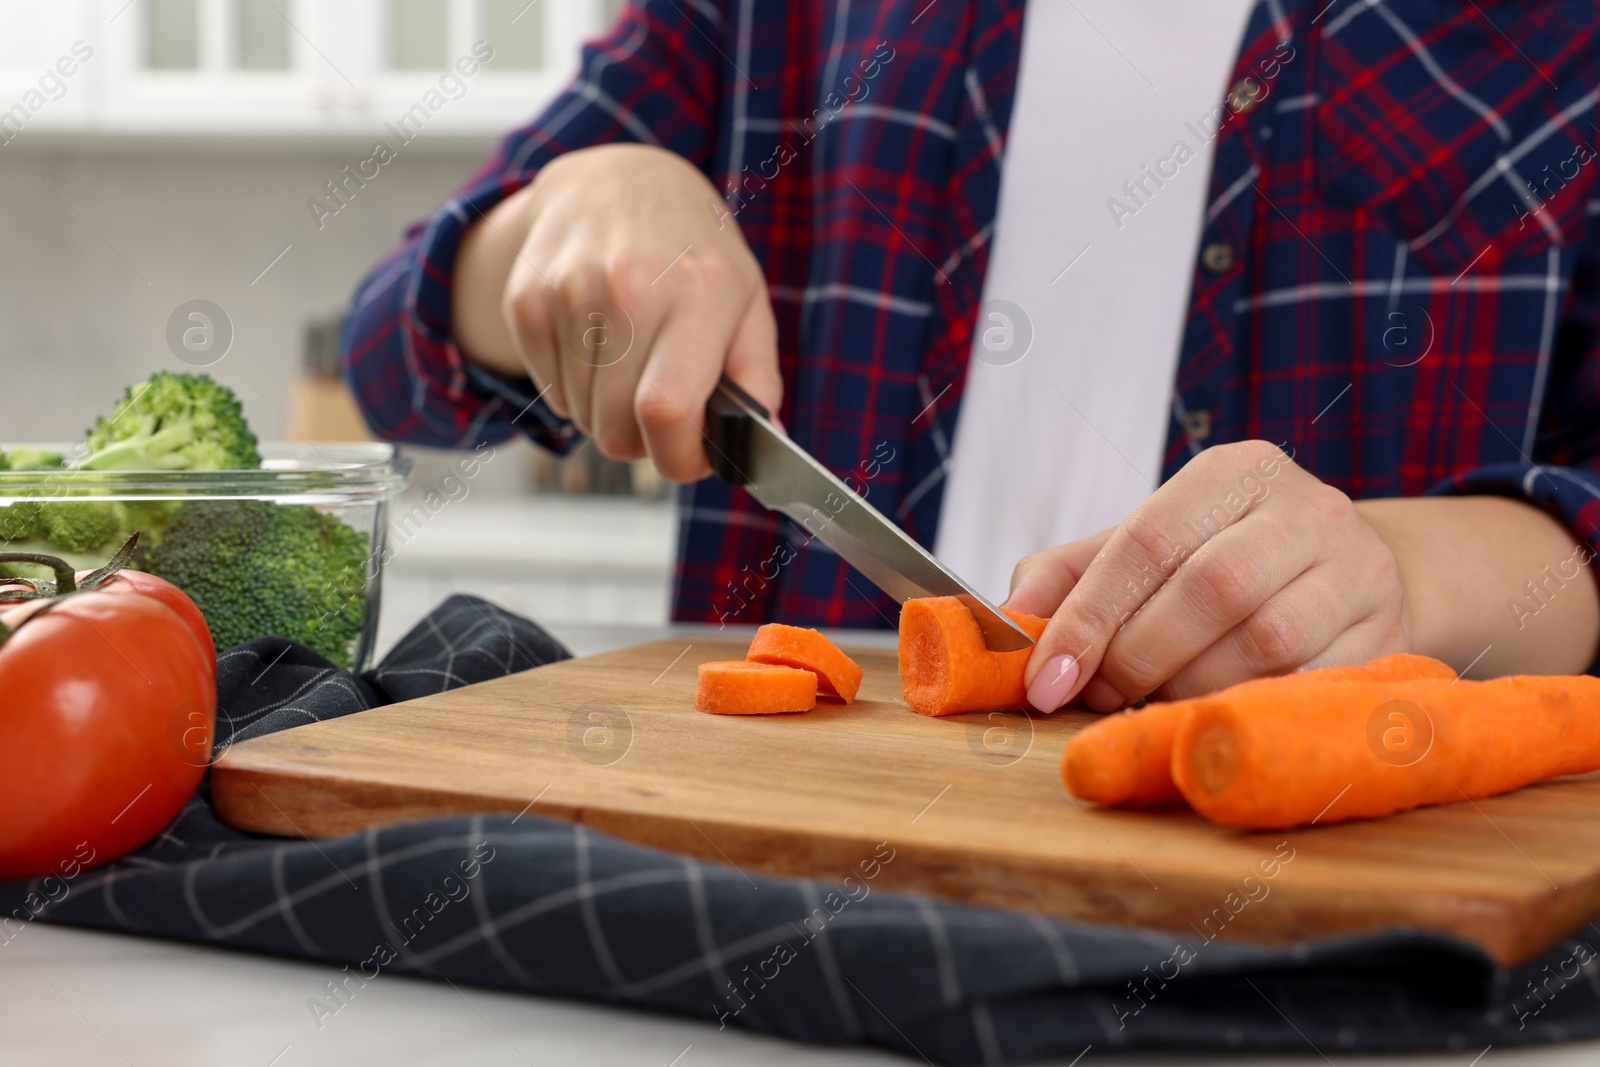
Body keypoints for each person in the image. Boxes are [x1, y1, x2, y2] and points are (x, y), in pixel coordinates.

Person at [343, 0, 1600, 714]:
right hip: (806, 875)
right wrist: (572, 211)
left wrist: (1405, 576)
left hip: (1337, 887)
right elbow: (397, 348)